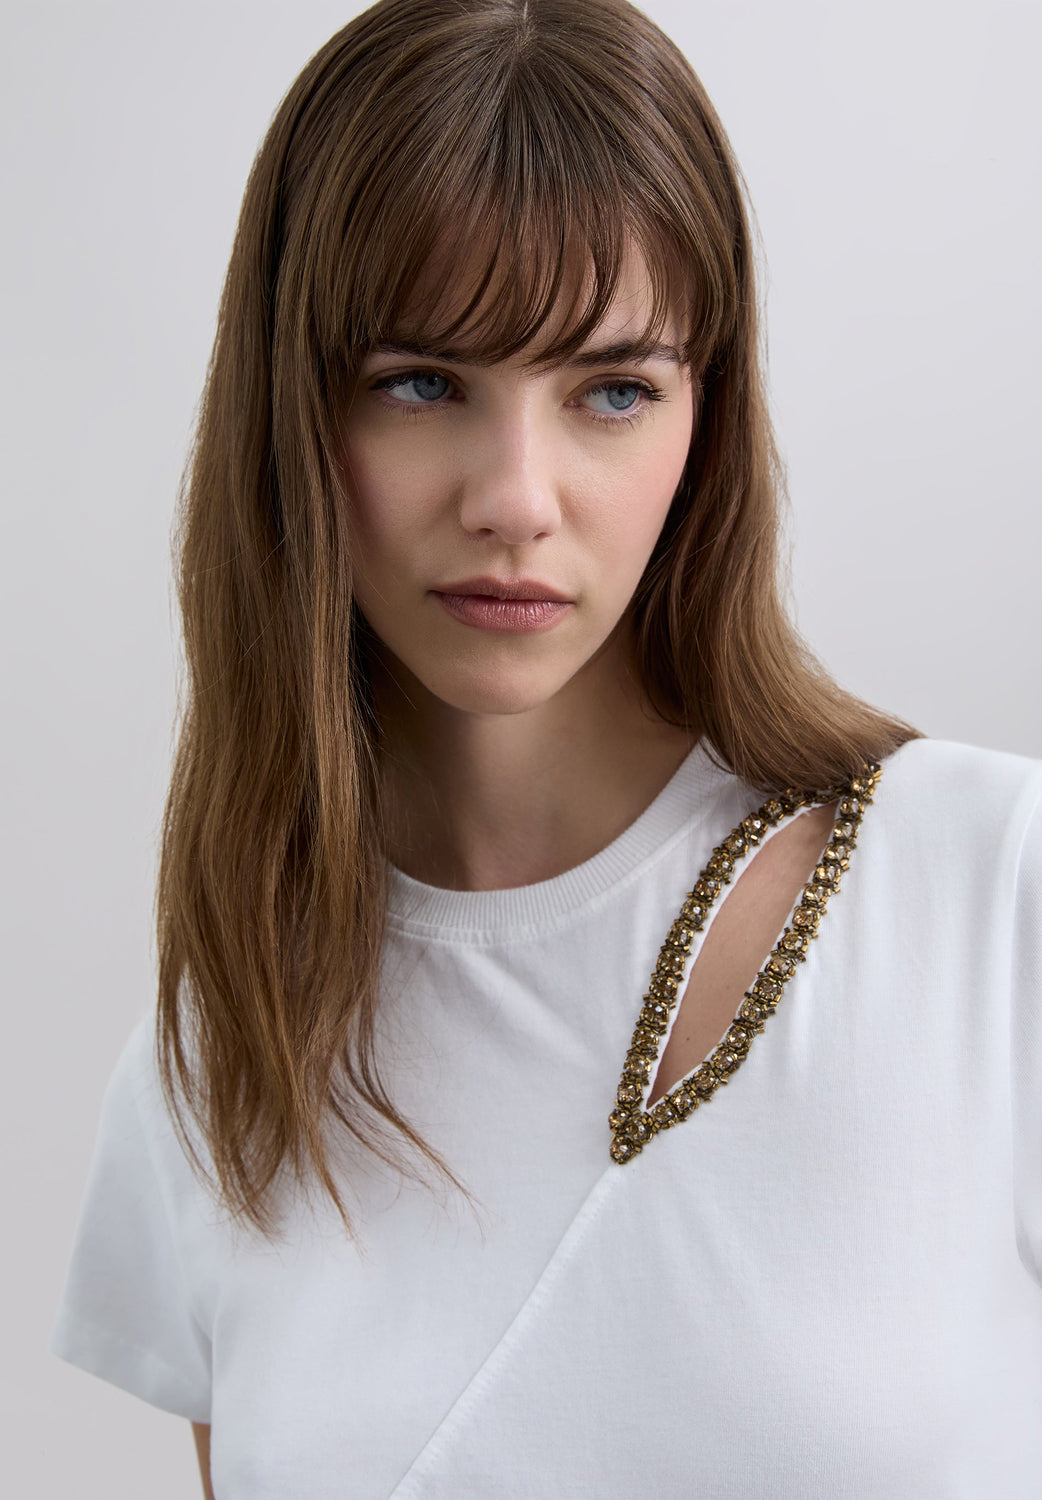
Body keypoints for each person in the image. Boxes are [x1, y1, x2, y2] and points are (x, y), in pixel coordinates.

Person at [49, 0, 1042, 1495]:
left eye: (612, 391)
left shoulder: (990, 899)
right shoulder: (227, 1053)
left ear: (705, 424)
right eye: (422, 382)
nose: (516, 498)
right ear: (291, 417)